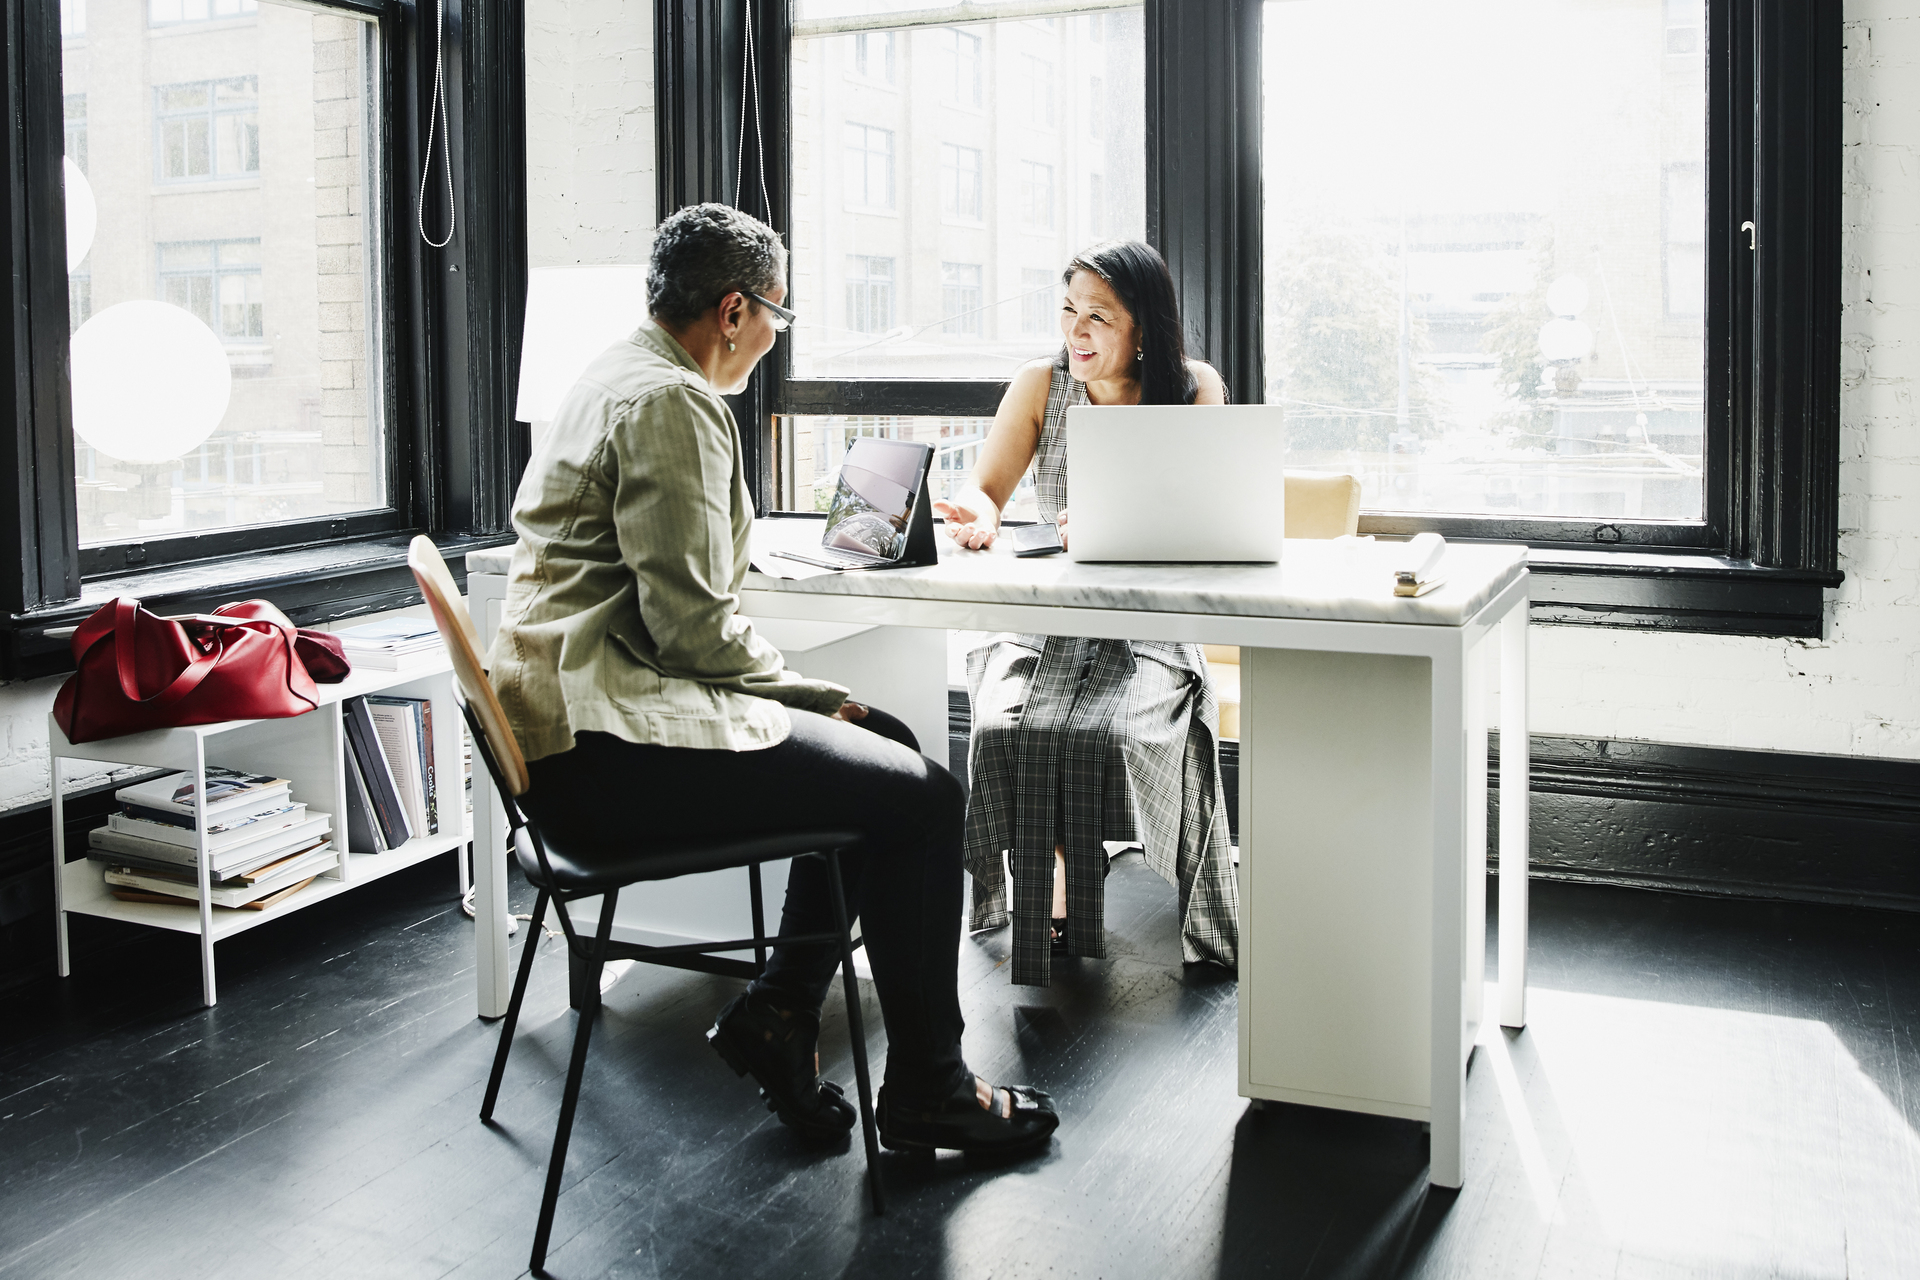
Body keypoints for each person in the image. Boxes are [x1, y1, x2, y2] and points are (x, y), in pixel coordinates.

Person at [486, 203, 1057, 1154]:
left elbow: (670, 603)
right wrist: (810, 695)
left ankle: (783, 1012)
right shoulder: (673, 402)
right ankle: (928, 1088)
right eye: (777, 320)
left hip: (566, 734)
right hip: (609, 753)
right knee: (923, 797)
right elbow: (692, 630)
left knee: (891, 749)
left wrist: (803, 697)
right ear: (735, 311)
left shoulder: (612, 372)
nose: (772, 341)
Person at [932, 239, 1240, 988]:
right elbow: (987, 490)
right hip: (1049, 615)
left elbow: (1206, 514)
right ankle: (1056, 889)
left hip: (1147, 623)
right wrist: (974, 516)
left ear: (1144, 328)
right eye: (1069, 310)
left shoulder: (1194, 389)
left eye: (1098, 316)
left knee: (1121, 727)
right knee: (1013, 724)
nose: (1077, 330)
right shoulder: (1040, 384)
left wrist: (1119, 522)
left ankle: (1144, 889)